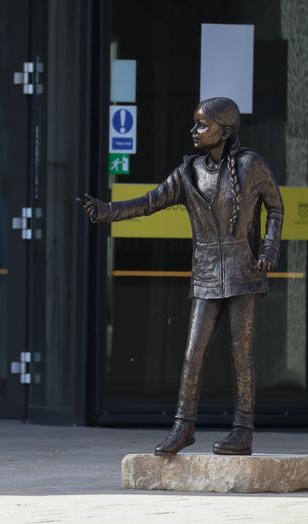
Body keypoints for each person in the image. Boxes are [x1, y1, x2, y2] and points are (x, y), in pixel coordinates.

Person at [78, 97, 283, 456]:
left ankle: (242, 430)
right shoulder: (188, 173)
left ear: (225, 130)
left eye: (203, 125)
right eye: (196, 123)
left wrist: (268, 250)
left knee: (241, 355)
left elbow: (275, 208)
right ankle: (183, 427)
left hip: (242, 272)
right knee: (193, 353)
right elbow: (150, 200)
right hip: (206, 273)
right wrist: (107, 211)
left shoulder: (251, 165)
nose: (195, 130)